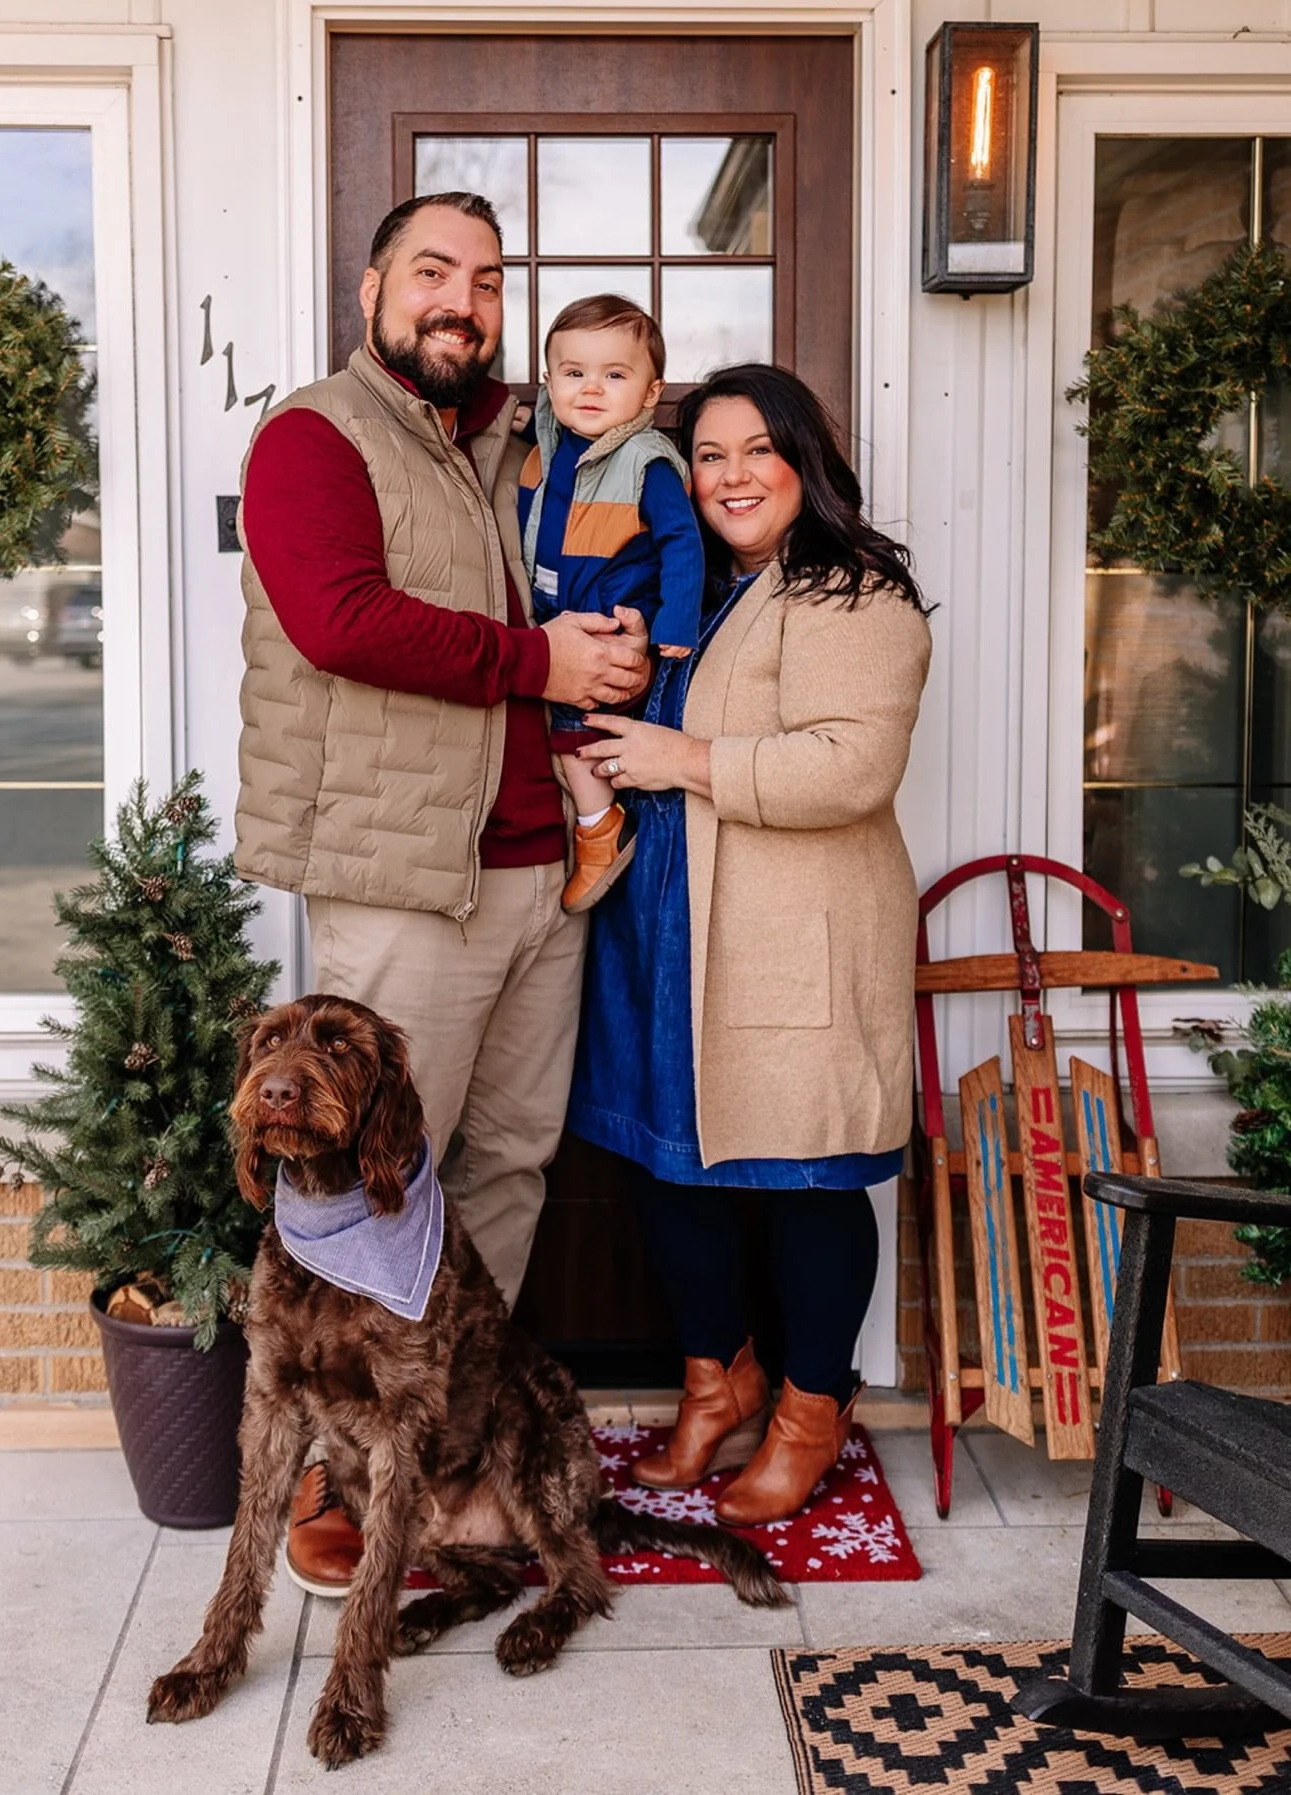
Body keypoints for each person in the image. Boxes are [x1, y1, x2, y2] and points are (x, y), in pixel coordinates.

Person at [233, 191, 651, 1594]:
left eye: (484, 279)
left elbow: (637, 486)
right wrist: (546, 661)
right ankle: (329, 1474)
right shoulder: (315, 438)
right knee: (362, 1181)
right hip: (409, 884)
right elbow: (340, 619)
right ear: (373, 293)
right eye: (432, 272)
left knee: (508, 1170)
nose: (460, 300)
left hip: (543, 878)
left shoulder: (513, 447)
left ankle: (441, 1456)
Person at [566, 363, 933, 1526]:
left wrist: (683, 760)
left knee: (809, 1178)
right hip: (666, 922)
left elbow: (851, 766)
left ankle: (812, 1410)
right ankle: (716, 1383)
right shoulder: (709, 592)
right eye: (708, 455)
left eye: (755, 450)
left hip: (786, 933)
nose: (729, 476)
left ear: (803, 460)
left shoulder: (853, 591)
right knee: (671, 1166)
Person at [517, 294, 703, 911]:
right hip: (555, 611)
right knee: (555, 727)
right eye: (574, 373)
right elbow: (538, 427)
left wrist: (677, 619)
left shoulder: (646, 463)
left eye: (615, 375)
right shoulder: (550, 442)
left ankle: (601, 830)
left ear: (652, 393)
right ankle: (595, 814)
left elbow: (682, 542)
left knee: (578, 731)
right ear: (550, 383)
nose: (591, 389)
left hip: (612, 616)